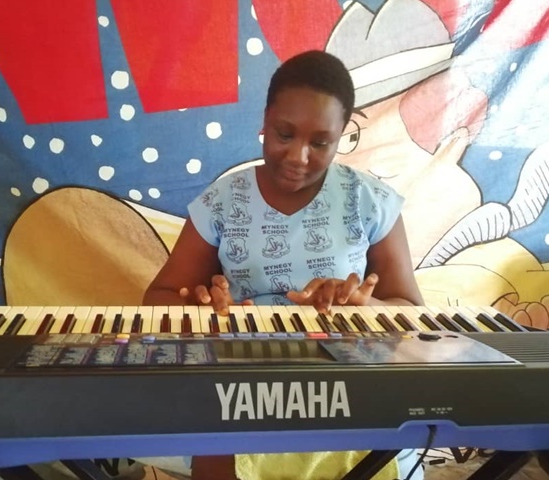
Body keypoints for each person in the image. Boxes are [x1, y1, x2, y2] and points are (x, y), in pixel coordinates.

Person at [143, 50, 424, 480]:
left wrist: (364, 307)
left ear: (342, 135)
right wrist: (200, 312)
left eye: (320, 142)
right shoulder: (223, 200)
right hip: (243, 380)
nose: (298, 156)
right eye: (284, 134)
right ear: (265, 120)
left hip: (349, 381)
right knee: (218, 446)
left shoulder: (369, 200)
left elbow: (413, 315)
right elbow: (157, 298)